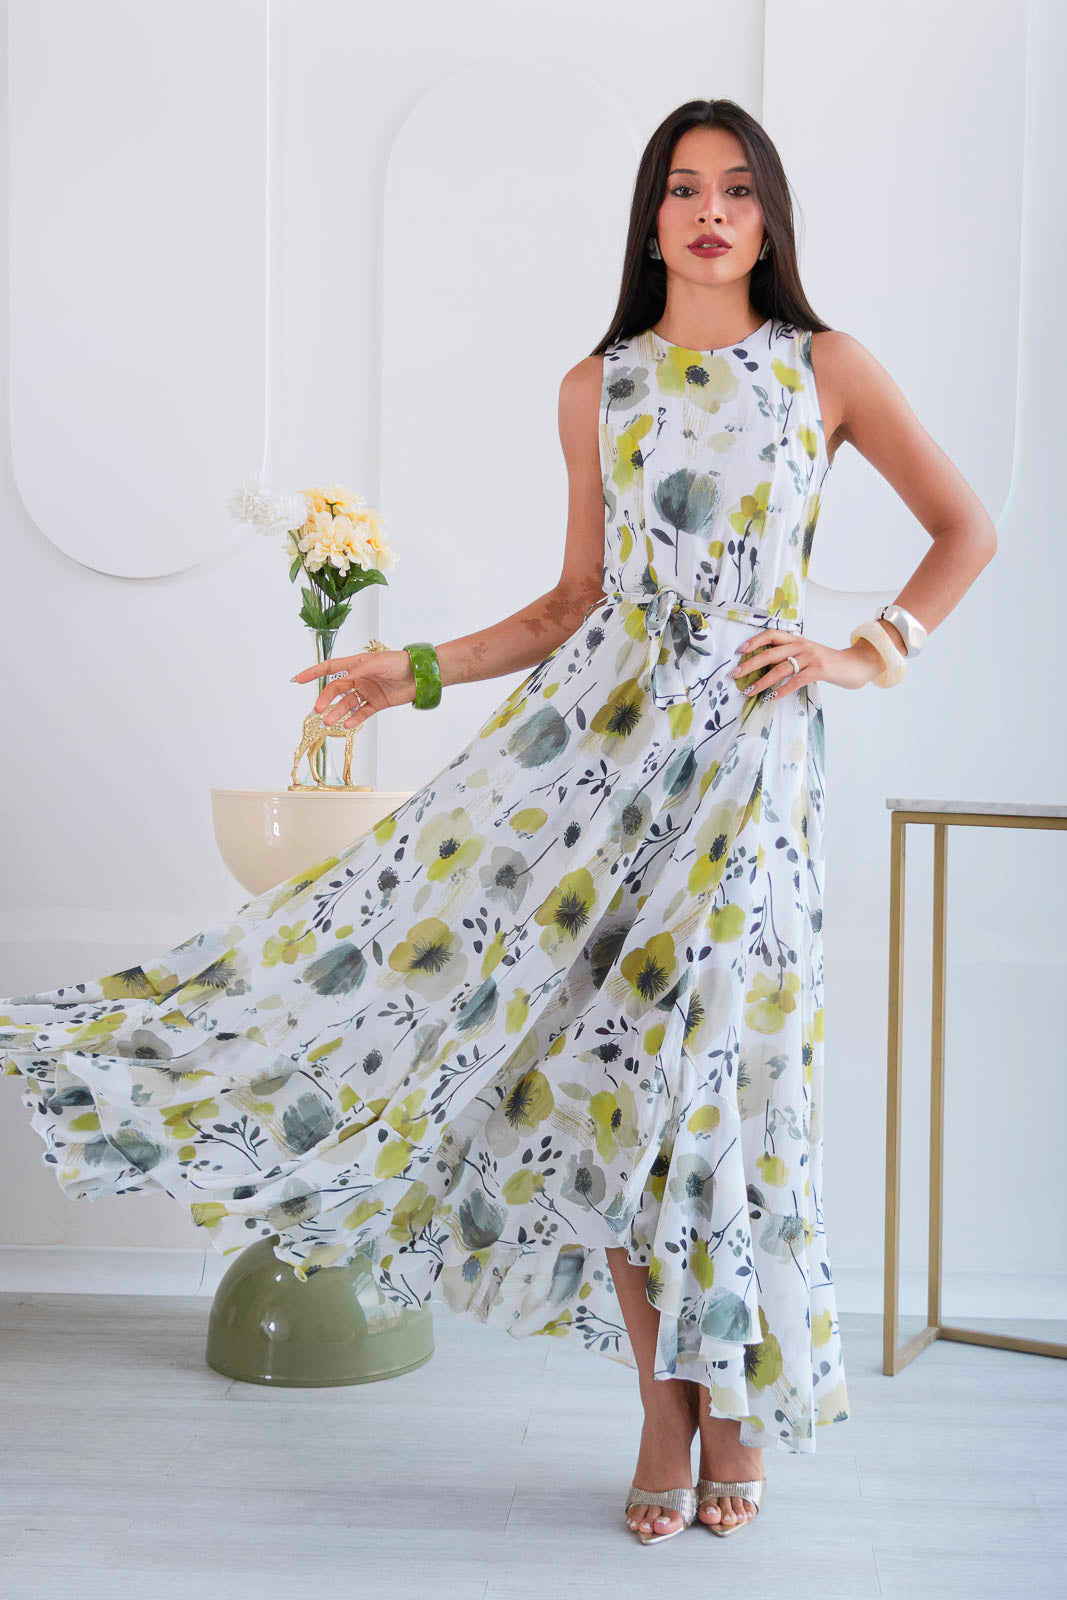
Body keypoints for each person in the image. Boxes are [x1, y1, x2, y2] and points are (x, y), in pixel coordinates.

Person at [0, 97, 996, 1546]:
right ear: (649, 220)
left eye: (737, 190)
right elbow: (575, 601)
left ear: (770, 217)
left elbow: (966, 528)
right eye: (683, 189)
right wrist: (409, 670)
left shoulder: (824, 368)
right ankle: (665, 1410)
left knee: (715, 1078)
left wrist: (859, 653)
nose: (710, 213)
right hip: (593, 760)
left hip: (749, 769)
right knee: (603, 1084)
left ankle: (730, 1404)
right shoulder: (600, 385)